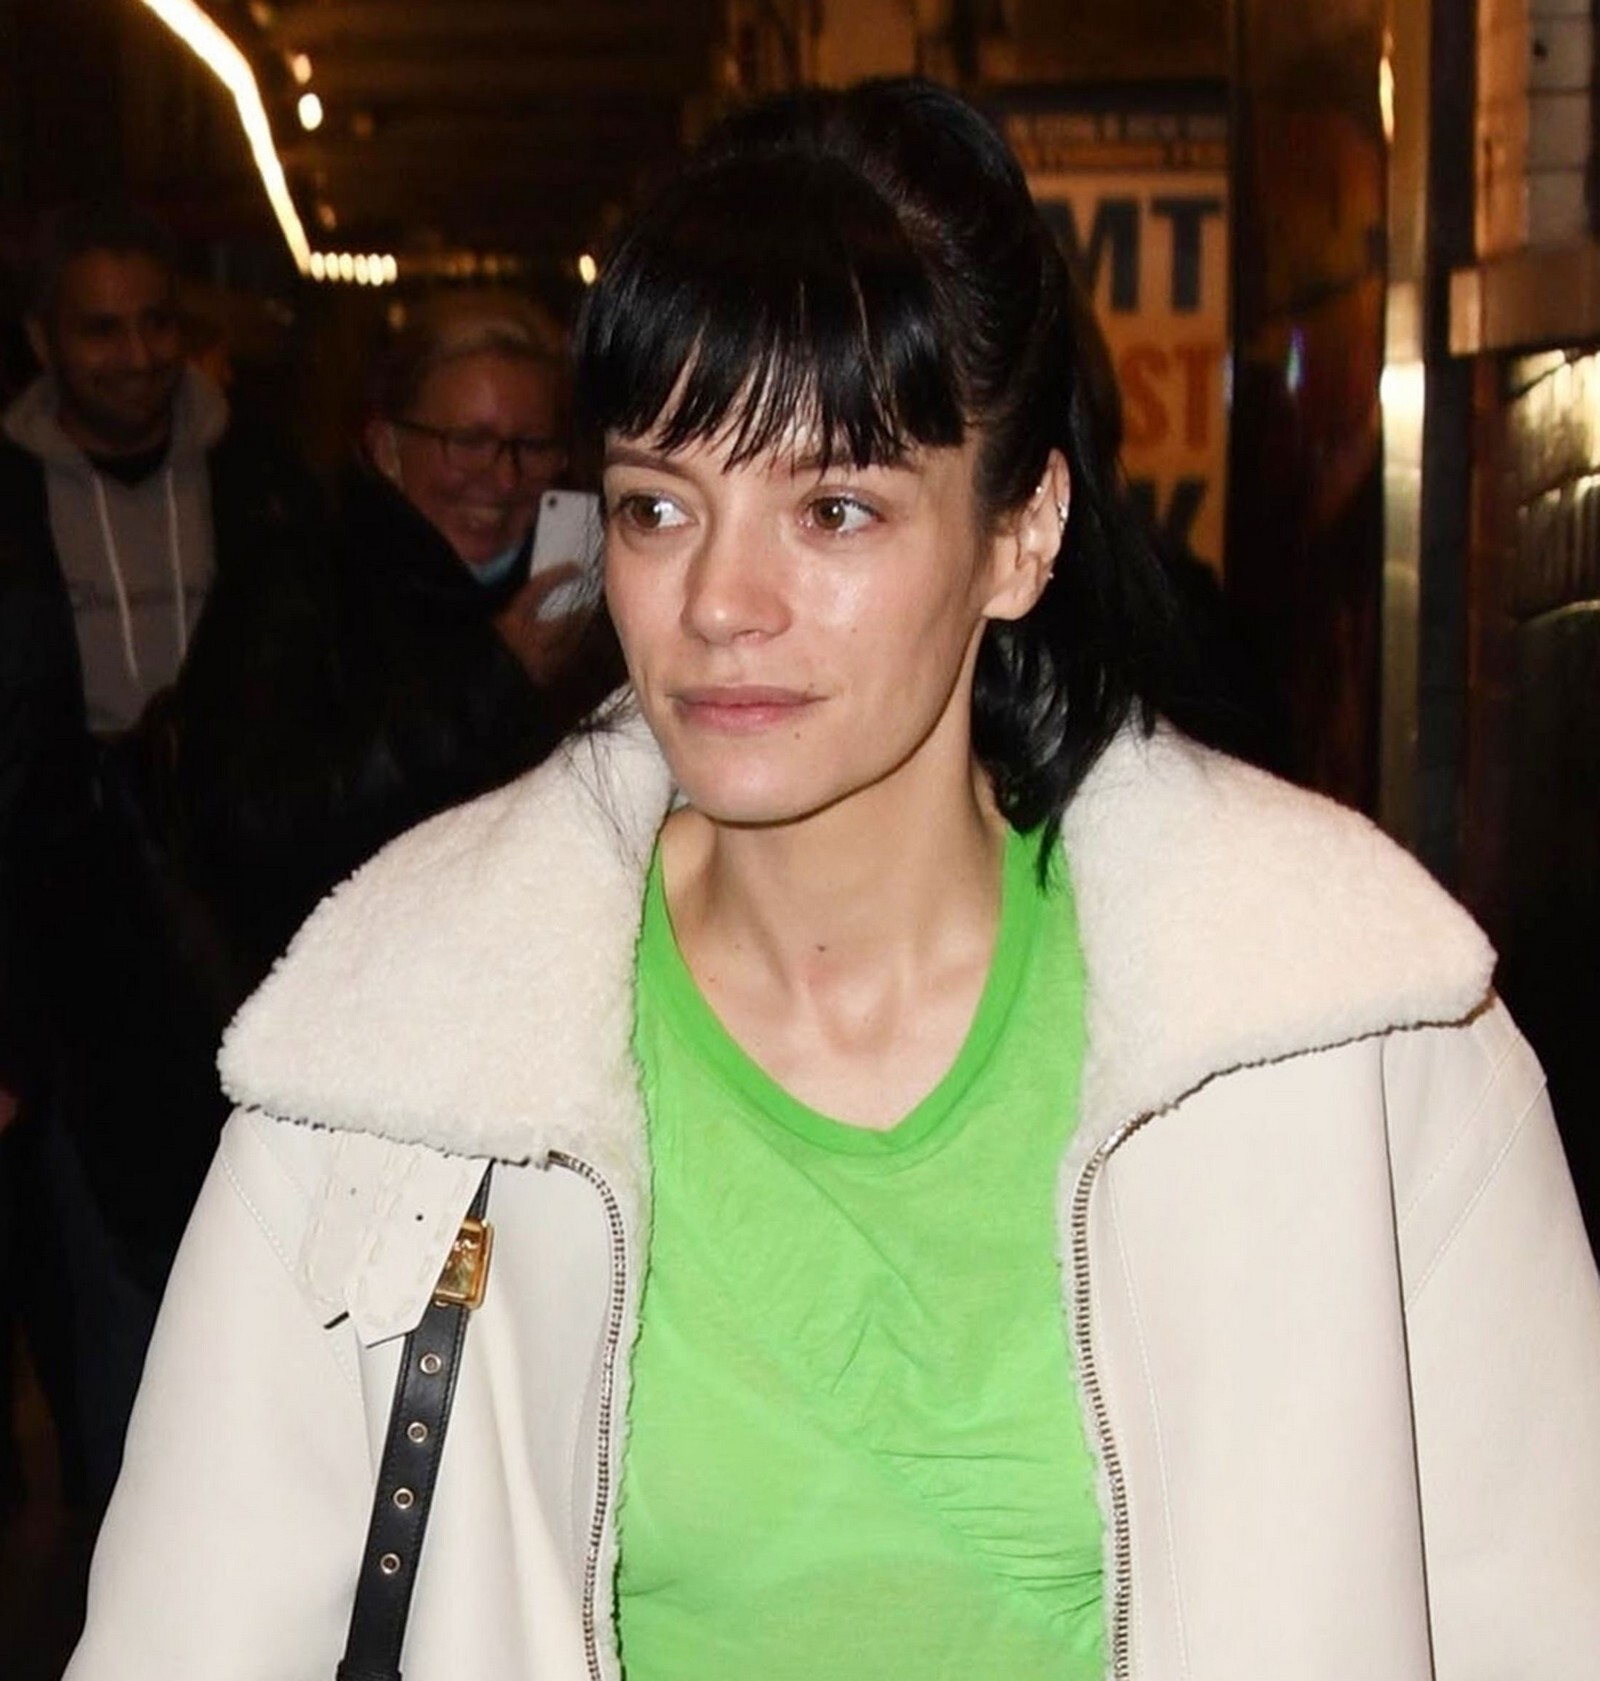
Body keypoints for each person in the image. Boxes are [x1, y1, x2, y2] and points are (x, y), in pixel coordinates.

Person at [65, 80, 1600, 1681]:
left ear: (1022, 532)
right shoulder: (396, 1054)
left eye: (836, 508)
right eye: (660, 505)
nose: (722, 600)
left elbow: (1547, 1617)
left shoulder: (1343, 1033)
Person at [0, 201, 321, 1510]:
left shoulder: (261, 476)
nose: (135, 357)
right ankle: (129, 1523)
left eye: (154, 326)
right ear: (44, 342)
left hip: (241, 915)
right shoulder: (9, 496)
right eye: (101, 330)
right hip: (64, 923)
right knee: (98, 1265)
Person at [163, 292, 622, 993]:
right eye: (467, 441)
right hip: (339, 992)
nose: (502, 478)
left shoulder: (583, 594)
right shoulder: (296, 582)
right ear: (385, 448)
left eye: (531, 447)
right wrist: (493, 679)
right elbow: (250, 826)